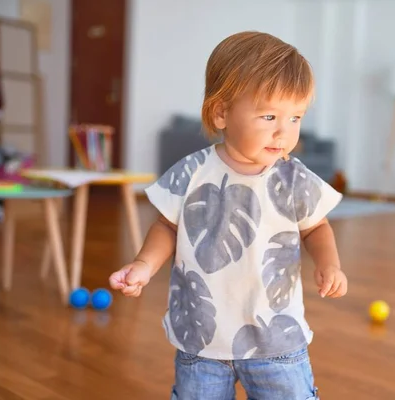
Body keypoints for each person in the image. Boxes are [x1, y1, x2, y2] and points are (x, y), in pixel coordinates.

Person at [109, 31, 347, 400]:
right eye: (269, 115)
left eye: (295, 117)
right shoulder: (191, 172)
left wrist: (330, 264)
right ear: (221, 112)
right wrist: (143, 265)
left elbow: (316, 227)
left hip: (276, 340)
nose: (284, 132)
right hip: (201, 339)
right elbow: (166, 226)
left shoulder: (294, 177)